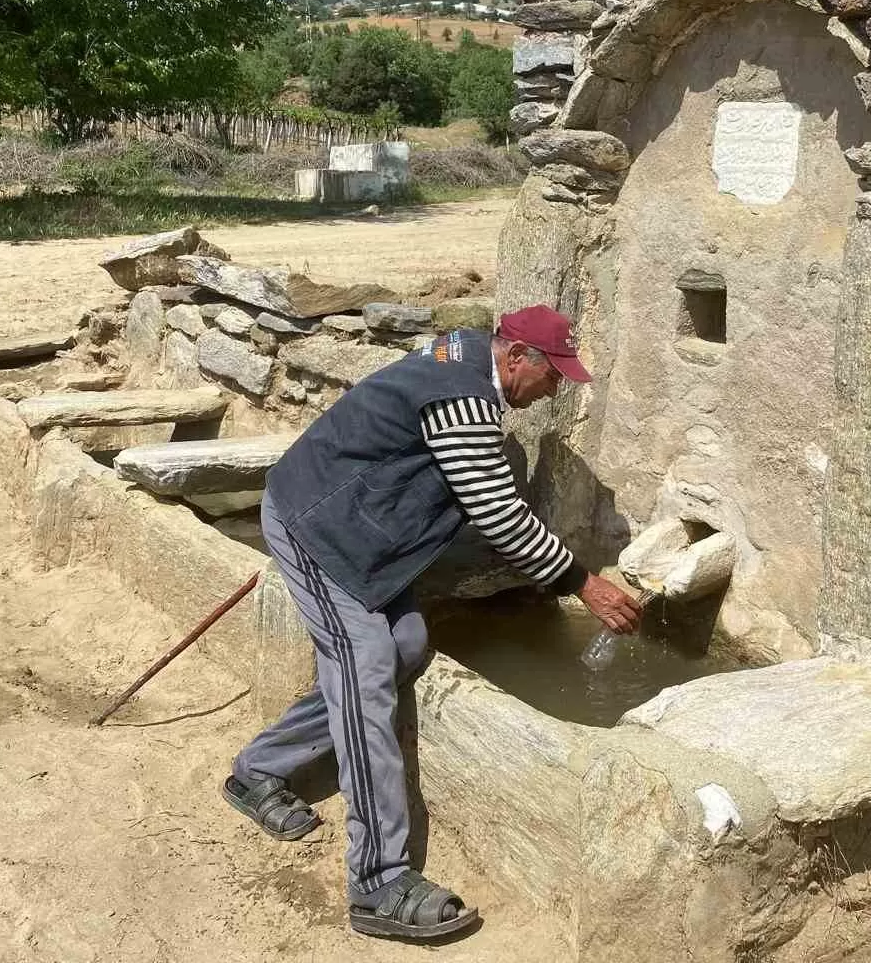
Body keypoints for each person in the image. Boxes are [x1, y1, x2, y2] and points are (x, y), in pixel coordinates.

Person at [222, 305, 643, 941]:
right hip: (317, 528)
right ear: (515, 359)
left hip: (356, 532)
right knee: (365, 670)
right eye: (553, 376)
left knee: (407, 645)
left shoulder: (465, 354)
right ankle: (378, 881)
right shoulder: (466, 400)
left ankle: (260, 769)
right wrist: (582, 582)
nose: (556, 390)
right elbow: (499, 516)